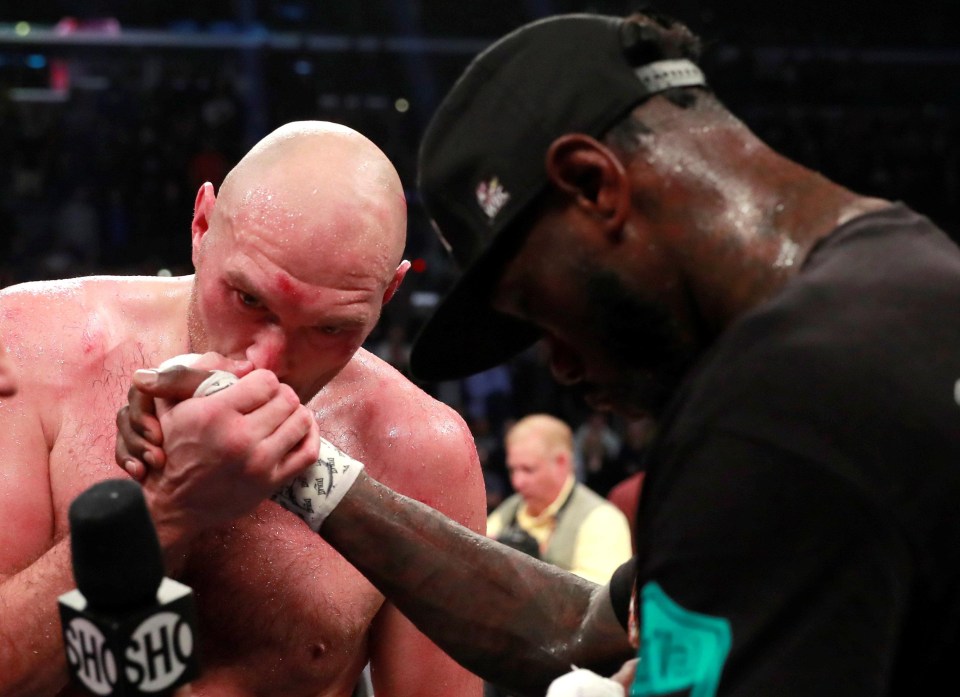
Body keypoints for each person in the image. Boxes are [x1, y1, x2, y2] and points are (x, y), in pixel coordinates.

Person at [117, 11, 960, 697]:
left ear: (594, 184)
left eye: (535, 308)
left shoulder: (776, 409)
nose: (557, 363)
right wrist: (301, 468)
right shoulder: (912, 282)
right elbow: (588, 630)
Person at [0, 120, 485, 697]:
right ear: (202, 225)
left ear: (386, 296)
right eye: (249, 299)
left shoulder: (423, 450)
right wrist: (166, 511)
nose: (267, 362)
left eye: (331, 327)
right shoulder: (26, 349)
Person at [487, 413, 632, 585]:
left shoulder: (603, 519)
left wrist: (533, 574)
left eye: (528, 470)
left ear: (561, 462)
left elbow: (601, 595)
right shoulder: (508, 510)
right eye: (512, 470)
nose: (517, 482)